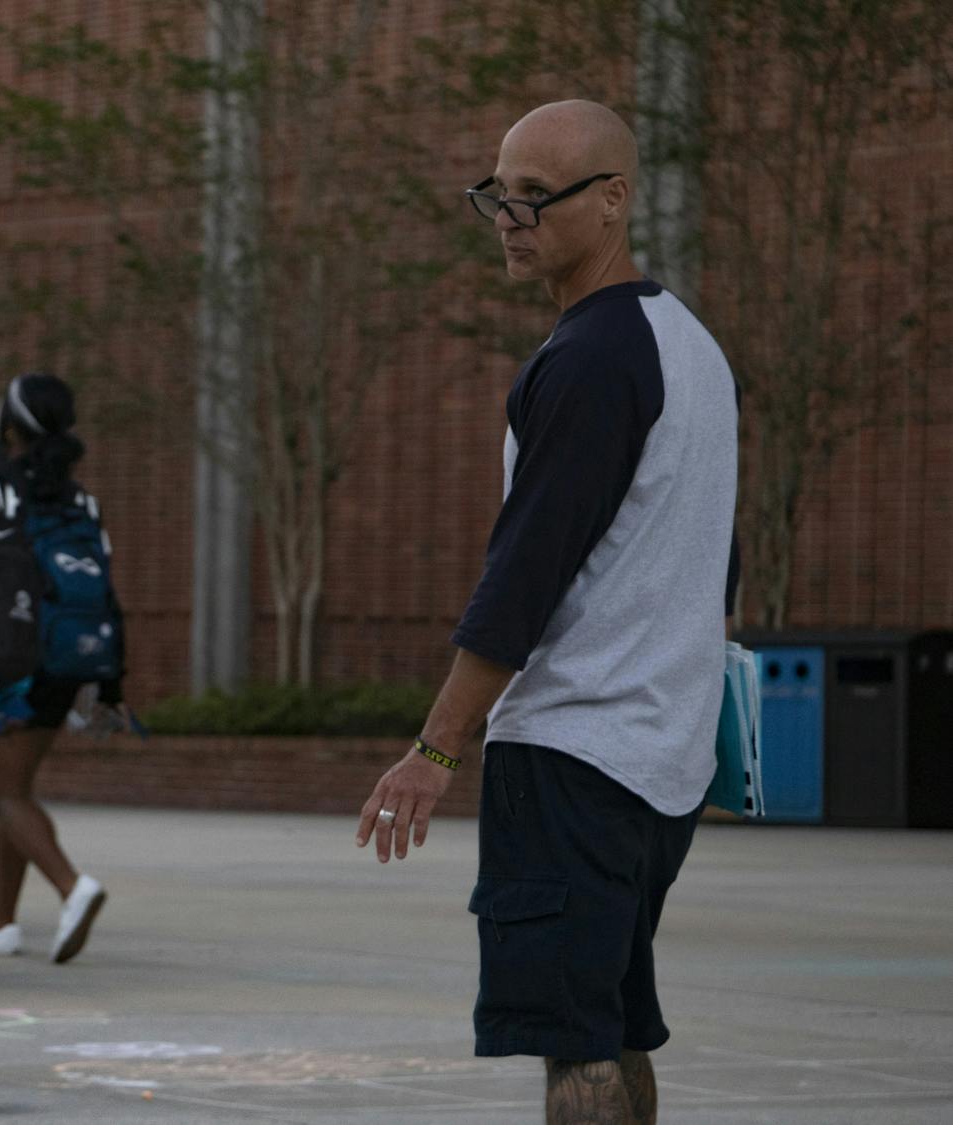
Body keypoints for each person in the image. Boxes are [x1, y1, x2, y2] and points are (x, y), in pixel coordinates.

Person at [355, 100, 738, 1125]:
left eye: (537, 196)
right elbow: (716, 566)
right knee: (610, 1026)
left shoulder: (590, 360)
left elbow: (524, 578)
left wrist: (433, 752)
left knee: (575, 1046)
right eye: (498, 195)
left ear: (612, 200)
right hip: (659, 763)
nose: (509, 219)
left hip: (576, 754)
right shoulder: (687, 345)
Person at [0, 373, 128, 963]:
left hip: (12, 660)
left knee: (3, 791)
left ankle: (72, 886)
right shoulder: (81, 498)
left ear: (8, 427)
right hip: (71, 659)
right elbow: (107, 593)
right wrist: (110, 684)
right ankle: (4, 922)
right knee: (16, 788)